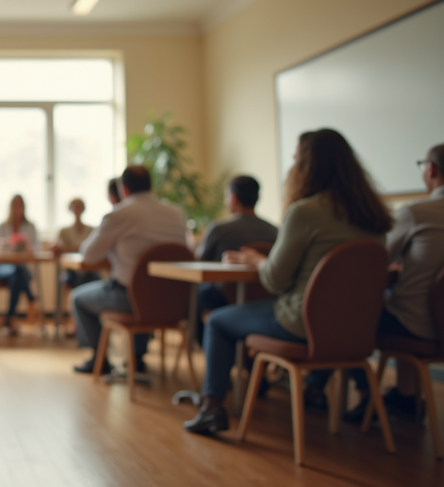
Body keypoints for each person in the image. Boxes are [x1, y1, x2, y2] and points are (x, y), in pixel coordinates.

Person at [184, 128, 394, 435]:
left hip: (302, 323)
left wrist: (257, 260)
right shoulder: (374, 216)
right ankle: (333, 393)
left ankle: (211, 408)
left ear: (308, 166)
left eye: (296, 159)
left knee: (217, 321)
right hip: (357, 327)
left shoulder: (304, 212)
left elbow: (274, 280)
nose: (292, 167)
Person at [306, 142, 444, 421]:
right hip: (439, 321)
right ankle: (405, 397)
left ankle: (319, 388)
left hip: (418, 325)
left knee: (348, 317)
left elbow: (371, 257)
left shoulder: (417, 213)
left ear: (431, 170)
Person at [72, 167, 188, 374]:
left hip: (130, 299)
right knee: (146, 288)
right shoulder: (176, 213)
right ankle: (137, 357)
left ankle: (99, 360)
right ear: (151, 186)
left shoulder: (120, 214)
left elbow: (88, 254)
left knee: (78, 298)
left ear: (123, 190)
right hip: (173, 300)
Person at [192, 176, 278, 343]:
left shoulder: (219, 229)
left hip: (225, 297)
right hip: (266, 298)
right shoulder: (275, 231)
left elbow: (199, 261)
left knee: (195, 294)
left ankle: (205, 347)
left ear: (233, 199)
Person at [0, 195, 39, 336]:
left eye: (20, 205)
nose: (17, 208)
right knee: (17, 272)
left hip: (22, 269)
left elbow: (37, 250)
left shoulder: (30, 227)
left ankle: (9, 318)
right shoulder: (1, 227)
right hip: (2, 268)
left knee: (17, 275)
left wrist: (29, 247)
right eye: (14, 205)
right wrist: (2, 246)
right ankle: (31, 298)